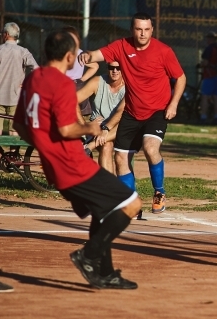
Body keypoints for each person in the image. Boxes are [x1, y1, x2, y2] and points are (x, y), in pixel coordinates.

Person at [12, 30, 142, 290]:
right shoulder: (60, 83)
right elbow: (65, 129)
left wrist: (45, 147)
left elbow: (20, 125)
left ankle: (105, 273)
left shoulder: (33, 78)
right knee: (131, 203)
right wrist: (89, 128)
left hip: (55, 167)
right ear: (70, 57)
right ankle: (89, 255)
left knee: (102, 211)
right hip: (72, 165)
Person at [78, 13, 186, 214]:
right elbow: (98, 55)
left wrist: (173, 104)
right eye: (138, 29)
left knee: (150, 148)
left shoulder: (163, 51)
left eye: (146, 29)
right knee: (120, 158)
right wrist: (87, 56)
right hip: (132, 112)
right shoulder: (122, 46)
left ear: (152, 30)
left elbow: (180, 78)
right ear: (132, 30)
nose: (143, 33)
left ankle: (159, 192)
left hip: (156, 111)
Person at [0, 22, 37, 170]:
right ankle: (13, 162)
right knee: (14, 131)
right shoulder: (23, 52)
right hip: (16, 97)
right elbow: (36, 68)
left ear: (5, 34)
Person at [76, 60, 126, 174]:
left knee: (124, 123)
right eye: (111, 68)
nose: (115, 71)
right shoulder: (97, 81)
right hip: (97, 127)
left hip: (118, 128)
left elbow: (120, 112)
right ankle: (110, 184)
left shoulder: (130, 86)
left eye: (118, 68)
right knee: (107, 146)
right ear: (107, 68)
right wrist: (84, 125)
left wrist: (106, 129)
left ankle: (89, 146)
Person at [63, 26, 99, 122]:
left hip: (69, 86)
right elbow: (95, 66)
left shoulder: (75, 54)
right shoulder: (80, 53)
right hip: (78, 85)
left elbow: (95, 66)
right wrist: (81, 80)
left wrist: (81, 79)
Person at [198, 32, 217, 125]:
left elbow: (206, 62)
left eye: (208, 38)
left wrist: (200, 65)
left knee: (205, 96)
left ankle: (203, 117)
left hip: (210, 75)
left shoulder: (209, 48)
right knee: (216, 96)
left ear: (210, 39)